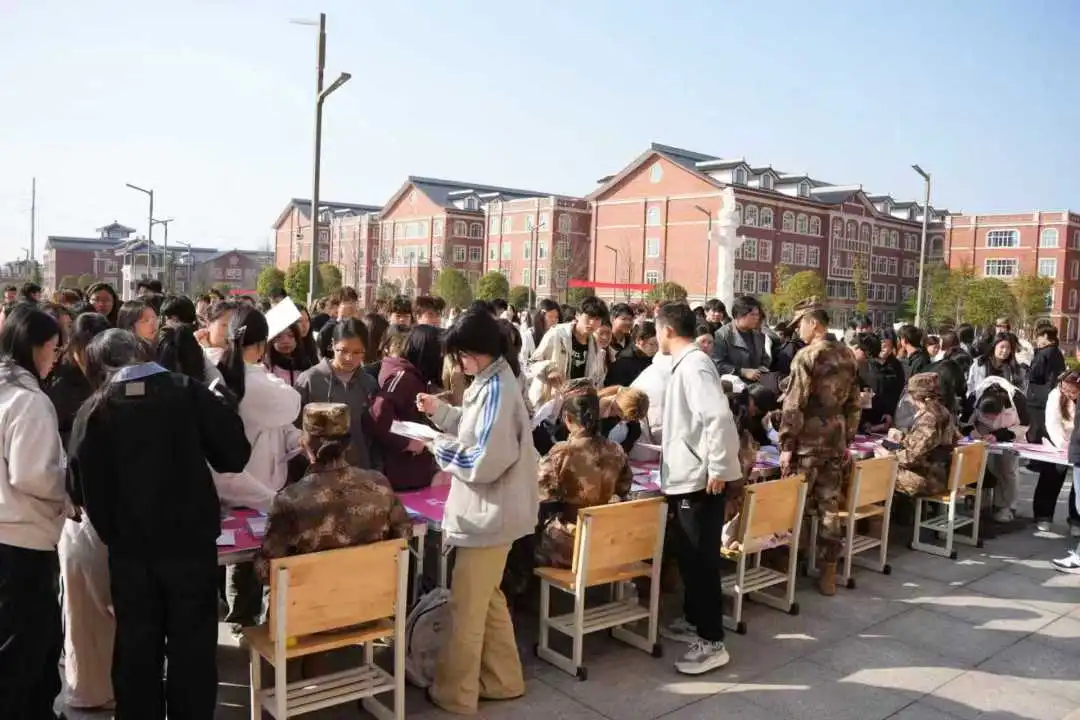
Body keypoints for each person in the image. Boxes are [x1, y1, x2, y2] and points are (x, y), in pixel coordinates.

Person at [67, 329, 252, 720]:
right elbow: (234, 455)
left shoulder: (96, 409)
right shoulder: (187, 391)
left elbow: (78, 488)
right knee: (192, 649)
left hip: (129, 552)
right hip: (190, 546)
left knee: (136, 650)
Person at [416, 308, 537, 715]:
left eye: (461, 355)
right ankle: (503, 680)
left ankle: (456, 693)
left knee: (467, 609)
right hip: (495, 513)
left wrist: (437, 445)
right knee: (488, 600)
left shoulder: (497, 388)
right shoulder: (493, 381)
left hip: (489, 514)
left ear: (478, 351)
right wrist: (439, 413)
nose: (458, 363)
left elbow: (484, 460)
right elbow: (475, 427)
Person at [654, 302, 740, 675]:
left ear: (667, 330)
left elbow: (717, 416)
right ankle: (694, 620)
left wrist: (718, 466)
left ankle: (711, 641)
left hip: (699, 479)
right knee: (691, 557)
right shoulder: (686, 364)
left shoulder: (694, 365)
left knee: (700, 560)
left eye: (656, 329)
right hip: (688, 475)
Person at [216, 306, 302, 631]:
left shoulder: (221, 371)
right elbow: (292, 404)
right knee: (252, 567)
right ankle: (248, 629)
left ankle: (242, 625)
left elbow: (280, 427)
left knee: (243, 568)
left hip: (241, 486)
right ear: (261, 343)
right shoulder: (257, 382)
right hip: (258, 490)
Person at [255, 402, 411, 580]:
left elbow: (266, 571)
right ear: (348, 445)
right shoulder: (379, 485)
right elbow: (403, 536)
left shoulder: (290, 500)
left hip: (310, 596)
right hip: (372, 594)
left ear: (305, 445)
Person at [0, 304, 66, 719]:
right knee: (26, 649)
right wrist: (70, 489)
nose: (54, 358)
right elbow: (32, 476)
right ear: (35, 347)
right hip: (23, 539)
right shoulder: (29, 401)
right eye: (53, 349)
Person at [778, 298, 861, 596]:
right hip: (835, 439)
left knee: (796, 505)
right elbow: (854, 403)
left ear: (813, 323)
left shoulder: (806, 356)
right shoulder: (848, 354)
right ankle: (828, 571)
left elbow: (793, 403)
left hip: (808, 442)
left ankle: (790, 565)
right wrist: (847, 437)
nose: (797, 330)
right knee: (829, 506)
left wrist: (786, 444)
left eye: (800, 324)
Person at [536, 381, 632, 568]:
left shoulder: (562, 453)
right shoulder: (616, 450)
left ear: (567, 417)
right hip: (606, 540)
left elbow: (539, 493)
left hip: (571, 544)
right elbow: (623, 488)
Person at [295, 317, 380, 470]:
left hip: (358, 469)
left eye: (357, 352)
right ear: (333, 345)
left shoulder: (368, 383)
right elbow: (294, 427)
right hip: (319, 468)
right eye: (343, 351)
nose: (349, 358)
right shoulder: (310, 379)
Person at [369, 325, 440, 491]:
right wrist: (407, 442)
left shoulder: (414, 376)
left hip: (412, 472)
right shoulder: (404, 378)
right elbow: (377, 414)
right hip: (401, 473)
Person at [880, 373, 959, 497]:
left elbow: (911, 458)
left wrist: (888, 455)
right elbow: (932, 444)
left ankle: (890, 510)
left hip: (928, 479)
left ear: (916, 397)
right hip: (940, 473)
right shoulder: (943, 412)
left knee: (876, 472)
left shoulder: (929, 419)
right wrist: (903, 438)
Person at [527, 295, 608, 407]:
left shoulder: (595, 345)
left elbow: (598, 379)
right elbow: (532, 363)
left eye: (597, 319)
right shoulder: (558, 334)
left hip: (576, 405)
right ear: (577, 315)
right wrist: (549, 369)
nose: (592, 323)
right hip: (549, 400)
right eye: (589, 317)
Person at [1033, 370, 1080, 532]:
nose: (1068, 394)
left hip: (1077, 442)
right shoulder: (1055, 395)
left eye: (1073, 391)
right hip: (1057, 441)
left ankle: (1076, 520)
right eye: (1064, 389)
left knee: (1078, 483)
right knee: (1053, 474)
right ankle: (1043, 515)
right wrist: (1063, 445)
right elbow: (1052, 423)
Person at [712, 295, 770, 382]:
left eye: (757, 314)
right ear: (739, 315)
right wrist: (742, 372)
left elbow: (765, 358)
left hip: (757, 384)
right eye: (752, 314)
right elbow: (718, 364)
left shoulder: (758, 335)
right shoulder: (721, 335)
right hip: (733, 386)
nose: (756, 318)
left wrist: (762, 368)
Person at [605, 321, 658, 387]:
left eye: (659, 344)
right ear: (639, 341)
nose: (656, 348)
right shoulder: (623, 363)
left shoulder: (654, 358)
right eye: (652, 344)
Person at [522, 298, 561, 368]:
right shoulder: (528, 336)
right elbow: (523, 362)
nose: (554, 320)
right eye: (550, 316)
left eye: (556, 317)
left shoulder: (557, 336)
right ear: (541, 316)